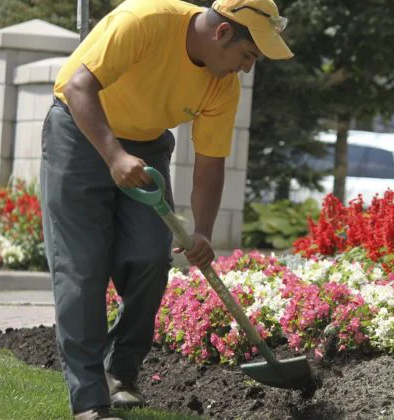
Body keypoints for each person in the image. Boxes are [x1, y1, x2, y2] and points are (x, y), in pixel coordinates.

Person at [39, 0, 293, 418]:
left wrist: (204, 232)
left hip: (147, 144)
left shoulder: (222, 83)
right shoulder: (143, 22)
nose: (248, 68)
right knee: (81, 269)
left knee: (149, 254)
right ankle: (89, 402)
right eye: (248, 56)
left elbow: (211, 162)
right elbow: (78, 87)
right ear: (223, 33)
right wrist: (114, 155)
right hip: (81, 131)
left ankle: (120, 371)